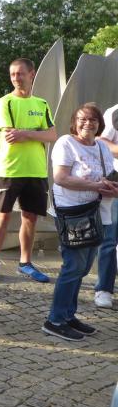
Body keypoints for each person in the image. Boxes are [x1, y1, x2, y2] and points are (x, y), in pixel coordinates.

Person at [43, 104, 118, 340]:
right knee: (73, 266)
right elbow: (61, 178)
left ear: (100, 124)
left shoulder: (102, 147)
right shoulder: (66, 143)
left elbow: (108, 178)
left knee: (84, 267)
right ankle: (55, 320)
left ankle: (68, 315)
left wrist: (112, 188)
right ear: (74, 123)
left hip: (99, 213)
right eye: (82, 119)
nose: (88, 123)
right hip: (73, 214)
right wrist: (96, 186)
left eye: (93, 120)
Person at [0, 58, 57, 283]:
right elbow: (10, 135)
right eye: (13, 74)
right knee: (2, 216)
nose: (16, 78)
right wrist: (36, 133)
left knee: (30, 218)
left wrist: (25, 133)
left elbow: (52, 135)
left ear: (31, 74)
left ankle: (25, 263)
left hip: (36, 171)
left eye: (20, 73)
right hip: (10, 170)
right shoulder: (5, 102)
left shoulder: (41, 104)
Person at [96, 102, 118, 308]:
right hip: (116, 181)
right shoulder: (115, 111)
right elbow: (100, 139)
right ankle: (104, 289)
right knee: (109, 239)